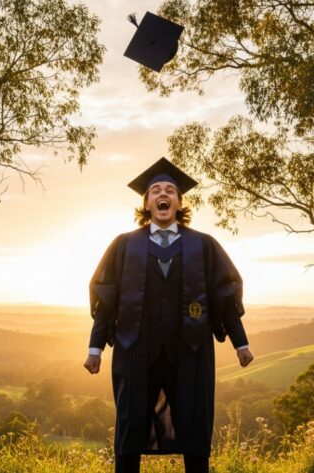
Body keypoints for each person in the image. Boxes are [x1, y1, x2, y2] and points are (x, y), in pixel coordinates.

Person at [83, 157, 254, 473]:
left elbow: (223, 297)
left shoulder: (203, 245)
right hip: (135, 351)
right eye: (156, 191)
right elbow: (107, 300)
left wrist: (240, 343)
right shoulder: (124, 246)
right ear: (147, 203)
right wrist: (95, 349)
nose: (163, 195)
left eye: (170, 191)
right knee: (130, 427)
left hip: (190, 351)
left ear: (178, 202)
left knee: (194, 425)